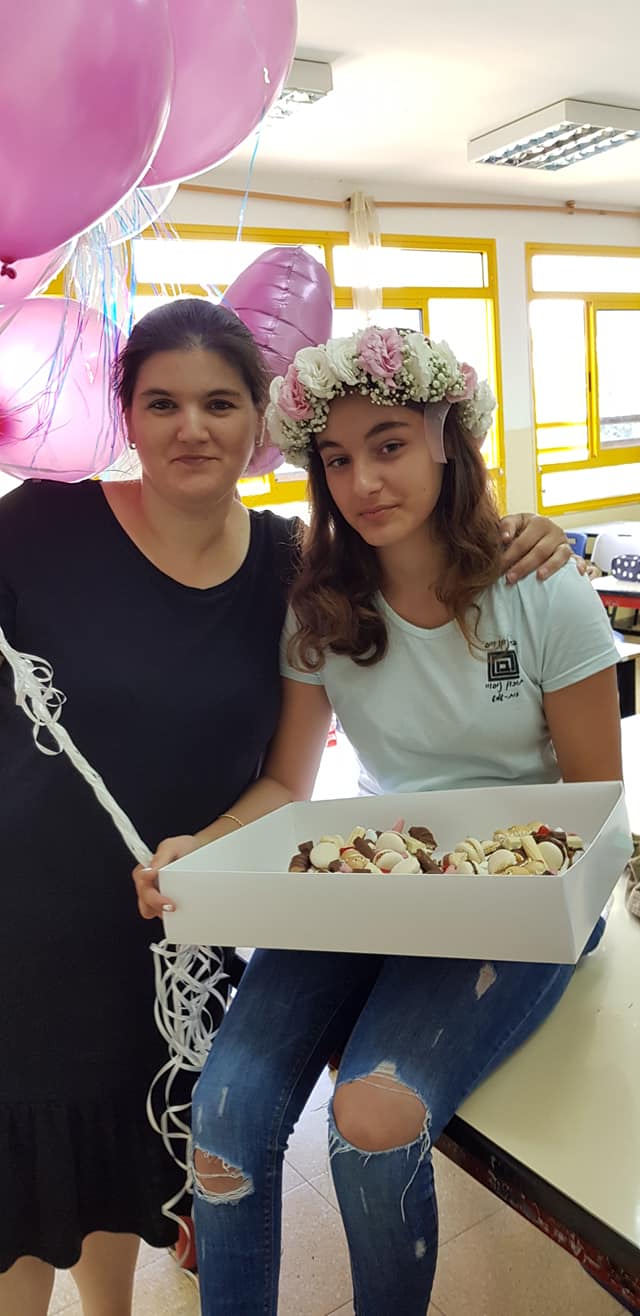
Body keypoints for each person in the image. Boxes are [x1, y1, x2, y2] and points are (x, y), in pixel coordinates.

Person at [0, 296, 571, 1316]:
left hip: (206, 912)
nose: (191, 427)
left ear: (259, 421)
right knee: (86, 1155)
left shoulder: (300, 568)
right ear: (126, 413)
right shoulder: (58, 529)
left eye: (219, 402)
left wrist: (530, 533)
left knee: (146, 1144)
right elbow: (284, 776)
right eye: (162, 402)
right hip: (57, 912)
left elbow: (576, 801)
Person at [137, 325, 621, 1316]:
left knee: (371, 1119)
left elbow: (593, 814)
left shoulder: (540, 590)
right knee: (223, 1117)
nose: (362, 481)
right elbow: (287, 785)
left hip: (521, 902)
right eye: (337, 457)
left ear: (446, 439)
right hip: (375, 884)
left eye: (389, 444)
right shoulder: (321, 604)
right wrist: (202, 850)